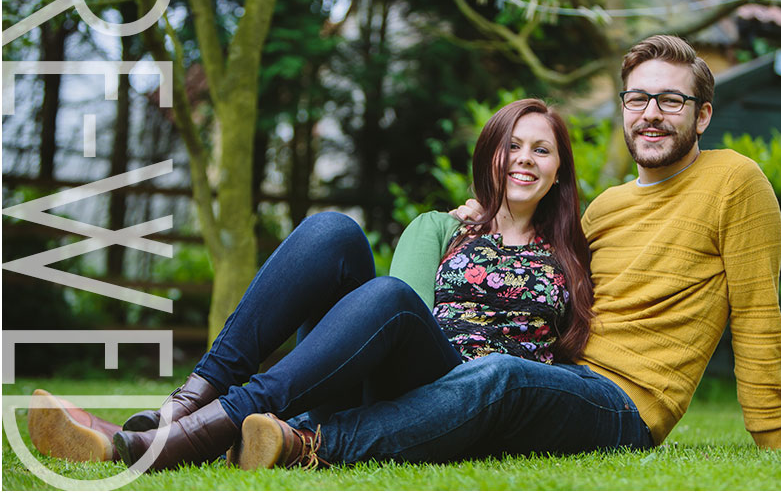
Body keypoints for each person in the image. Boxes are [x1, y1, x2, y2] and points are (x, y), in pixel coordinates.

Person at [224, 34, 781, 466]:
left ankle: (309, 442)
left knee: (501, 374)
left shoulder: (735, 181)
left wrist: (771, 434)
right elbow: (545, 266)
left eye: (671, 101)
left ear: (702, 114)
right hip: (559, 380)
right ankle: (218, 403)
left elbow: (756, 310)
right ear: (624, 109)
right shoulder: (601, 210)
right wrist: (487, 208)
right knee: (365, 268)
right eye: (638, 98)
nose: (651, 113)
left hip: (625, 403)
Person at [27, 98, 597, 470]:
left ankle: (150, 442)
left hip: (475, 394)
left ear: (558, 169)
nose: (524, 160)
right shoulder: (445, 228)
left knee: (390, 301)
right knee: (333, 232)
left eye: (540, 150)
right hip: (412, 370)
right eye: (512, 146)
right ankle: (191, 401)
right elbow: (407, 316)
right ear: (490, 156)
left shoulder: (575, 249)